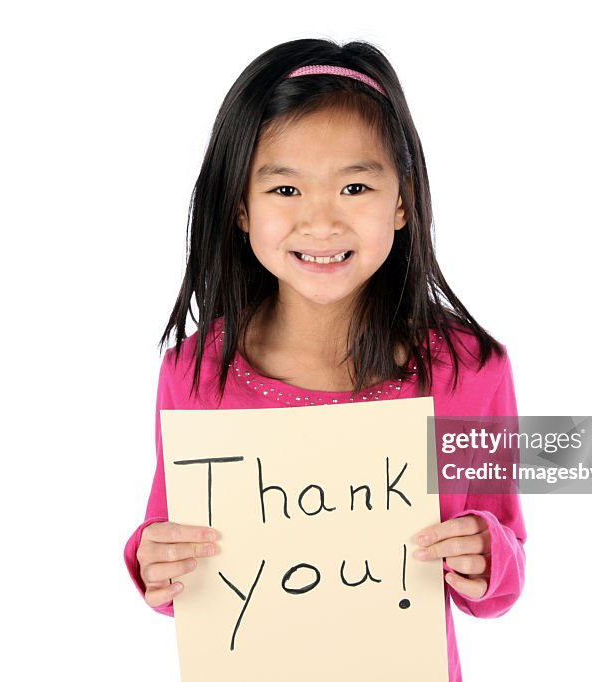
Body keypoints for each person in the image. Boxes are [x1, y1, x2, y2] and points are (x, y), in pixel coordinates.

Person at [122, 38, 526, 682]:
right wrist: (154, 561)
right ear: (240, 208)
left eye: (356, 186)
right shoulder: (197, 375)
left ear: (403, 200)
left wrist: (484, 555)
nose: (320, 222)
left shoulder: (470, 371)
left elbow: (504, 566)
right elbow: (173, 559)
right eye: (285, 188)